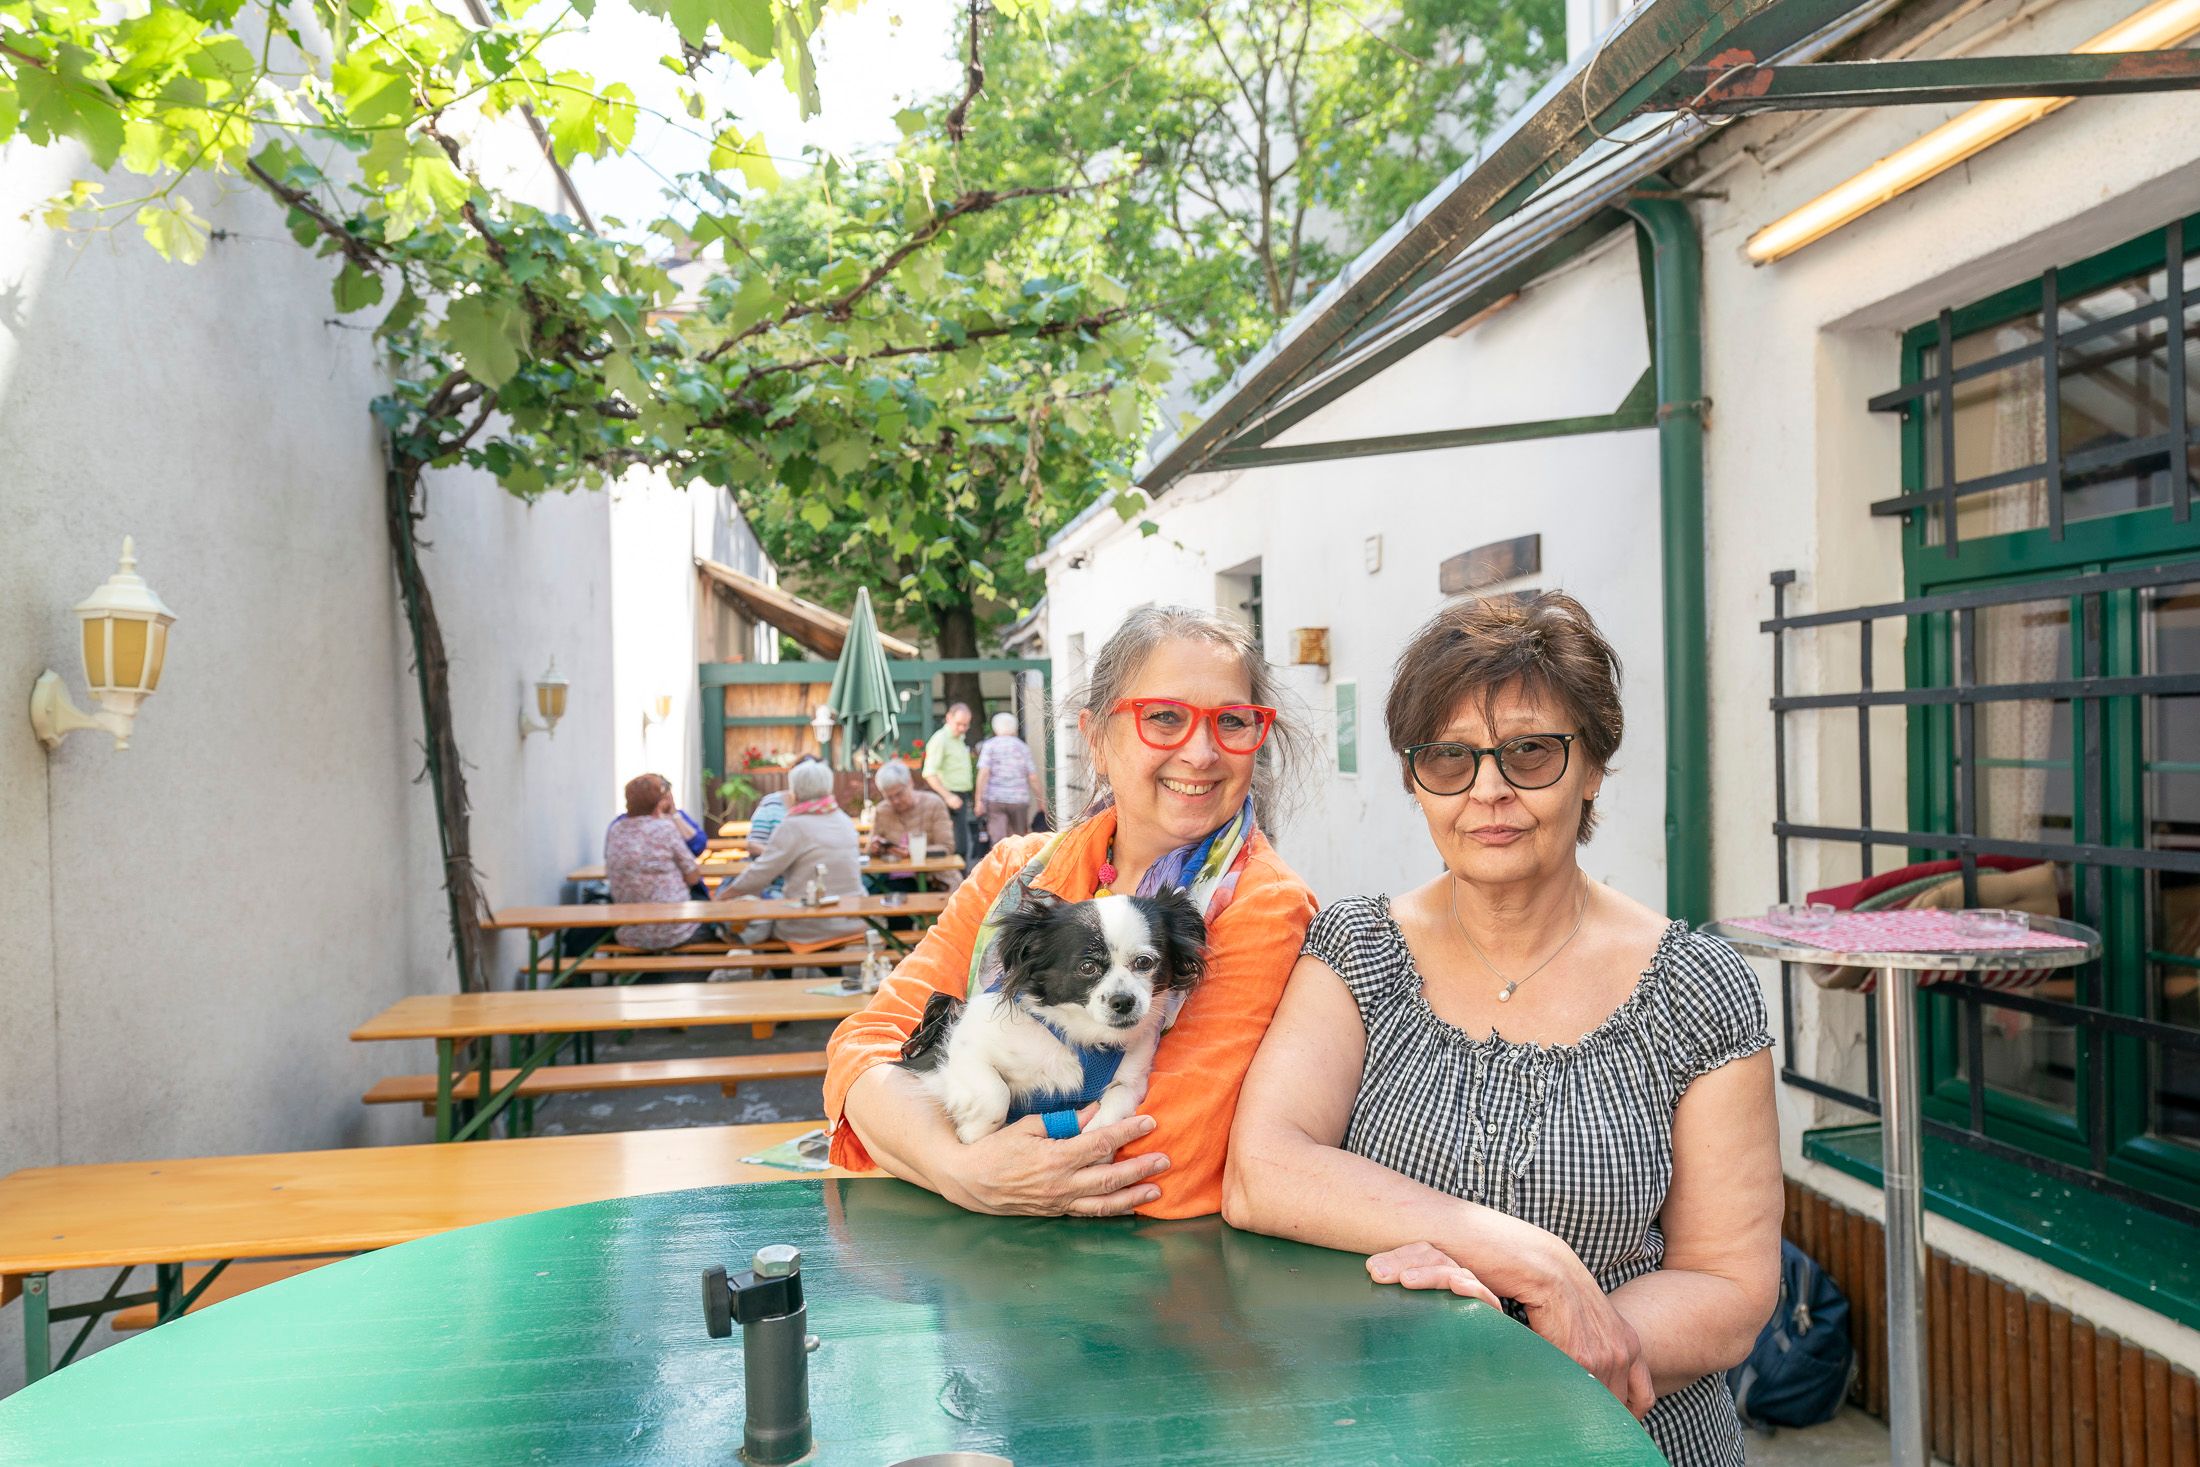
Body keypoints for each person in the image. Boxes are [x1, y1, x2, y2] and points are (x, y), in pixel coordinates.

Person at [1223, 592, 1780, 1466]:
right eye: (1449, 757)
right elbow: (1263, 1171)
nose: (1488, 790)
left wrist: (1527, 1360)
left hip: (1624, 1439)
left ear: (1592, 766)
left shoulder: (1696, 989)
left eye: (1529, 751)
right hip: (1395, 1434)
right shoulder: (1357, 949)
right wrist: (1530, 1258)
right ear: (1416, 780)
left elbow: (1731, 1284)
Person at [824, 604, 1318, 1220]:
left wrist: (922, 1140)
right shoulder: (1017, 873)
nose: (1201, 752)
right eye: (1163, 718)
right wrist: (960, 1169)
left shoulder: (1263, 906)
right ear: (1096, 741)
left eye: (1233, 721)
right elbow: (864, 1053)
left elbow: (1170, 1155)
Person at [722, 759, 868, 948]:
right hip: (853, 919)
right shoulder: (844, 820)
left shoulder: (794, 825)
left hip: (809, 924)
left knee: (762, 925)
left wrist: (726, 895)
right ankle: (830, 971)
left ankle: (781, 973)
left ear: (795, 792)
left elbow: (762, 872)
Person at [604, 773, 711, 950]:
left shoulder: (616, 829)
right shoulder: (664, 829)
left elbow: (699, 843)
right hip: (676, 929)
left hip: (629, 932)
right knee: (719, 924)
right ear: (661, 801)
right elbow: (693, 877)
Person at [975, 710, 1048, 846]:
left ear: (995, 728)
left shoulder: (990, 746)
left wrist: (978, 800)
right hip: (1019, 801)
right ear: (1014, 728)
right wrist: (1041, 801)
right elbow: (1032, 777)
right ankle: (1016, 866)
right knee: (1018, 839)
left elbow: (984, 773)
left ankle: (1000, 865)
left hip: (995, 799)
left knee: (998, 841)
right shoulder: (1022, 747)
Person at [921, 702, 978, 859]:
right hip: (948, 797)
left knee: (963, 846)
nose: (962, 728)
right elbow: (929, 773)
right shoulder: (940, 739)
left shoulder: (959, 739)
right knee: (956, 846)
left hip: (960, 797)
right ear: (948, 718)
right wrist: (948, 796)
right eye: (959, 724)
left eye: (966, 725)